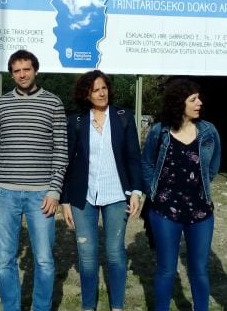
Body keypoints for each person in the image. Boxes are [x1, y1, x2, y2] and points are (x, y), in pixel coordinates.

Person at [0, 49, 68, 311]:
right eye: (17, 70)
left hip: (41, 195)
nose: (22, 74)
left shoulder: (54, 103)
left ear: (35, 70)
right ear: (11, 74)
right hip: (4, 193)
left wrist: (55, 190)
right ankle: (12, 307)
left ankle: (41, 307)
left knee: (43, 260)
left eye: (26, 69)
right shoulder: (0, 104)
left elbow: (60, 150)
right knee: (5, 260)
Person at [60, 70, 143, 311]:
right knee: (87, 257)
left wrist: (136, 191)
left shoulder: (123, 117)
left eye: (104, 87)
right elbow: (68, 162)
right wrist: (65, 200)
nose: (101, 93)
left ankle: (117, 306)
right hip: (82, 197)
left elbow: (133, 157)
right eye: (95, 89)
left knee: (115, 252)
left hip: (117, 195)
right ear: (86, 94)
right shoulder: (75, 121)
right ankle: (89, 306)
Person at [141, 78, 221, 311]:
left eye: (199, 98)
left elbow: (213, 166)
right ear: (179, 103)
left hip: (201, 211)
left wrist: (200, 187)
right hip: (165, 212)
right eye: (193, 99)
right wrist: (154, 194)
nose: (199, 103)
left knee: (199, 270)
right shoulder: (160, 131)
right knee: (166, 270)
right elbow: (146, 163)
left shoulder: (209, 131)